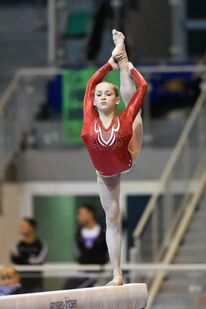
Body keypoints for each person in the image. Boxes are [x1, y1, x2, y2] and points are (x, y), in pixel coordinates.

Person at [81, 29, 147, 285]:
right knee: (112, 217)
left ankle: (124, 54)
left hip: (129, 153)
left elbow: (143, 86)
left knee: (135, 115)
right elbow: (89, 85)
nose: (102, 97)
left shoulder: (123, 115)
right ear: (94, 102)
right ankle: (117, 274)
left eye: (108, 94)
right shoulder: (89, 117)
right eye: (99, 95)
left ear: (115, 98)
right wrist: (109, 63)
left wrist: (127, 66)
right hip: (105, 173)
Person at [10, 218, 48, 292]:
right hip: (20, 284)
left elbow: (39, 261)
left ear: (31, 228)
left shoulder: (40, 244)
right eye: (20, 226)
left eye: (23, 226)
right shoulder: (17, 244)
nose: (21, 229)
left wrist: (22, 258)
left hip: (36, 284)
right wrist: (29, 258)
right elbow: (14, 259)